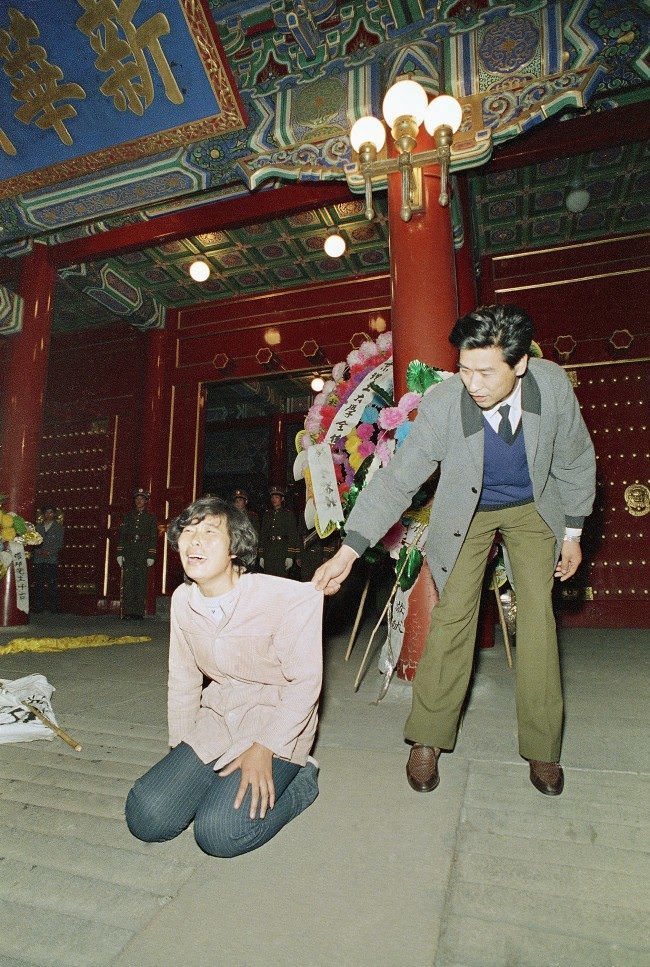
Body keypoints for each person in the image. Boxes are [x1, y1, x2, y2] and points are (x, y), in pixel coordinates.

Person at [313, 304, 596, 798]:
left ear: (520, 364)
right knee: (453, 619)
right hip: (468, 510)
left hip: (534, 507)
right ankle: (427, 736)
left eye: (486, 372)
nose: (474, 383)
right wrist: (348, 551)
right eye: (465, 369)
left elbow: (574, 457)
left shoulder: (551, 387)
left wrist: (572, 533)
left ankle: (543, 746)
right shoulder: (446, 404)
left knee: (536, 619)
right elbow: (400, 479)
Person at [125, 496, 322, 857]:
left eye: (209, 532)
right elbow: (184, 679)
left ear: (235, 547)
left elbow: (305, 684)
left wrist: (267, 747)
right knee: (146, 815)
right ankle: (213, 782)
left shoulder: (288, 598)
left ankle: (301, 782)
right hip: (218, 718)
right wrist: (181, 753)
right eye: (186, 532)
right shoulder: (184, 600)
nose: (193, 541)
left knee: (218, 832)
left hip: (275, 721)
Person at [117, 488, 158, 619]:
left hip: (142, 552)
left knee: (140, 581)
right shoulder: (128, 516)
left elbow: (153, 537)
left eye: (142, 499)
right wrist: (120, 553)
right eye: (137, 499)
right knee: (128, 581)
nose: (139, 501)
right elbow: (122, 535)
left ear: (146, 501)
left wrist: (151, 555)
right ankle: (128, 611)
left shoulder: (150, 518)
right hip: (129, 551)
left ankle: (138, 612)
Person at [258, 486, 300, 577]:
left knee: (282, 580)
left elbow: (293, 535)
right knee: (269, 580)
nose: (274, 499)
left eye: (276, 497)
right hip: (268, 552)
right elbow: (263, 535)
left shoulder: (288, 514)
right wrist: (261, 555)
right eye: (272, 497)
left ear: (282, 499)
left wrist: (290, 555)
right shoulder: (267, 514)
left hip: (282, 551)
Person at [31, 505, 65, 613]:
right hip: (39, 559)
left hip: (51, 559)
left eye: (51, 512)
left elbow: (59, 544)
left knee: (52, 584)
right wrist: (39, 551)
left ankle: (53, 607)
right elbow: (32, 542)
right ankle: (38, 607)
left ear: (54, 514)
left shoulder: (59, 528)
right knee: (39, 584)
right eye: (46, 512)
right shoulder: (38, 527)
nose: (48, 515)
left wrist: (49, 552)